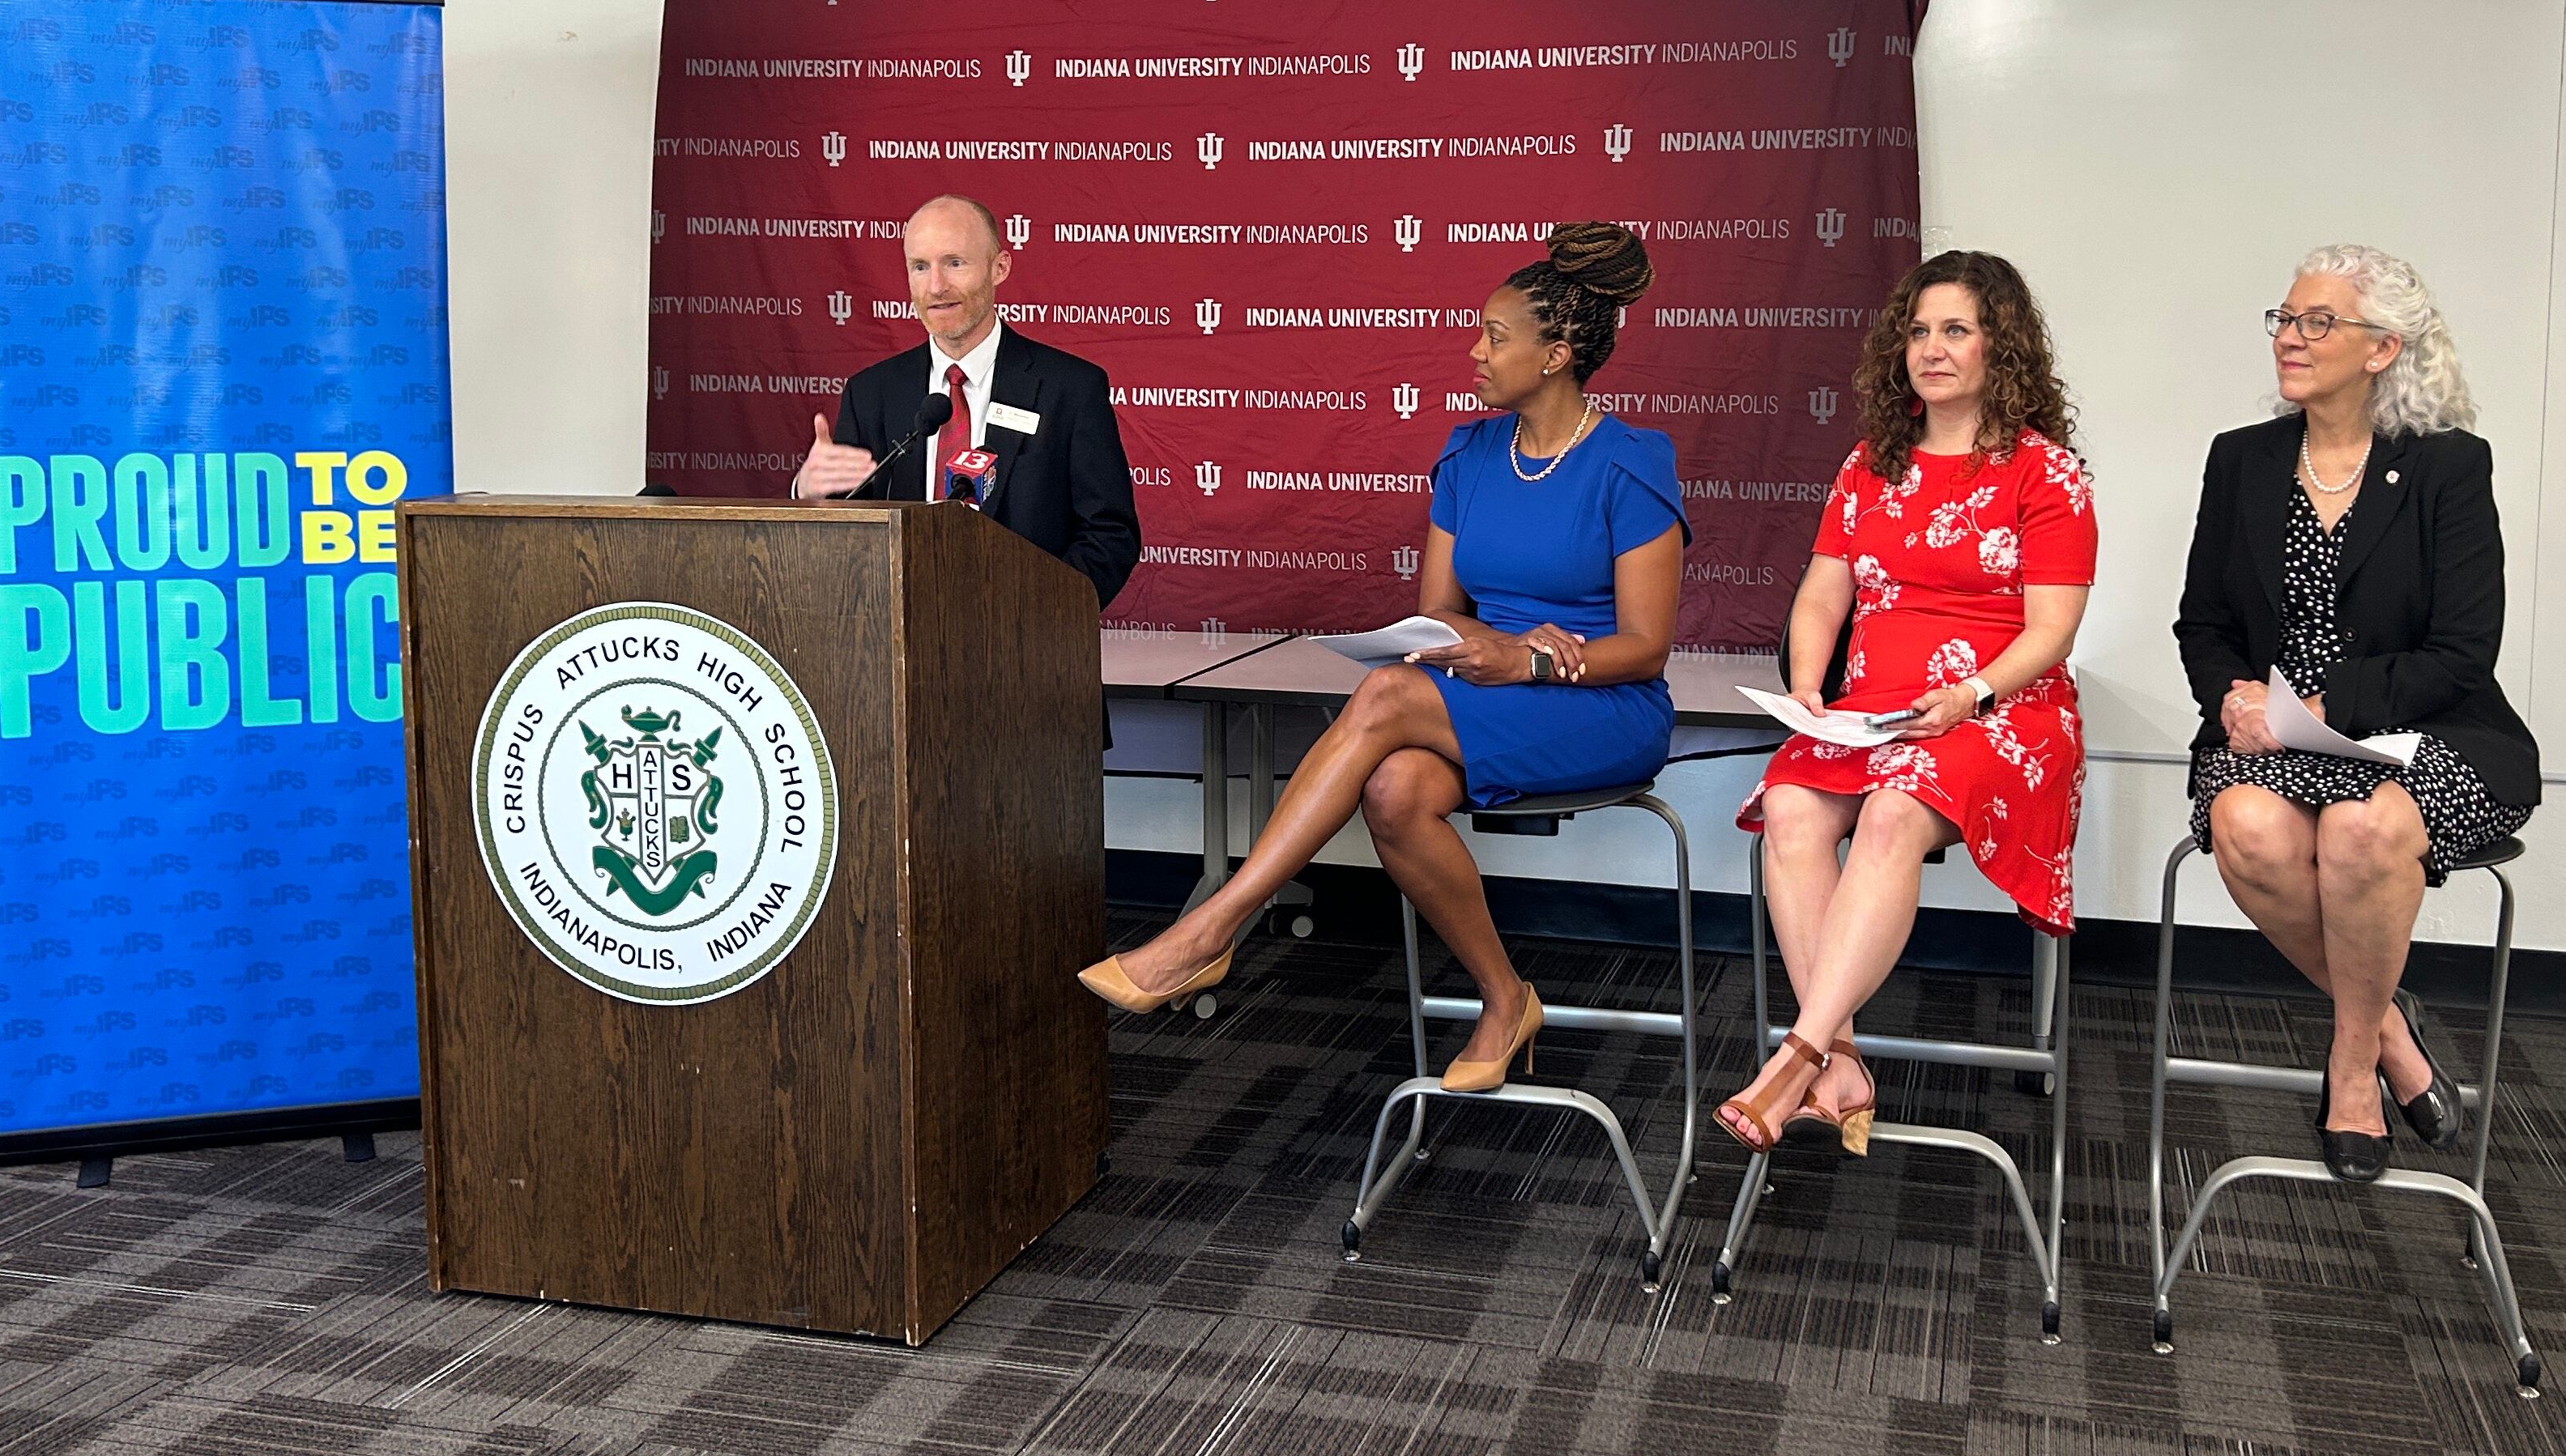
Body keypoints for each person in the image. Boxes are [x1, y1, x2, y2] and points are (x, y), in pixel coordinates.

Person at [1079, 224, 1686, 1090]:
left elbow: (1646, 646)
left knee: (1386, 698)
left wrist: (1536, 662)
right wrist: (1480, 647)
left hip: (1600, 704)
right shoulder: (1471, 453)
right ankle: (1506, 998)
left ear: (1555, 355)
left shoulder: (1630, 461)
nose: (1474, 351)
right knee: (1394, 789)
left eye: (1496, 337)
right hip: (1490, 686)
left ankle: (1208, 931)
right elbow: (1440, 609)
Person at [1720, 251, 2095, 1156]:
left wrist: (1968, 693)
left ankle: (1799, 1053)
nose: (1931, 348)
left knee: (1891, 814)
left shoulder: (2047, 474)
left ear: (2000, 346)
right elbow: (1822, 595)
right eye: (1919, 330)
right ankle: (1842, 1061)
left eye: (1956, 329)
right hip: (1878, 706)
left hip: (2003, 713)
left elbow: (2054, 631)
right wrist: (1810, 686)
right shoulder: (1869, 465)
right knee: (1790, 805)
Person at [2173, 244, 2535, 1181]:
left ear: (2384, 348)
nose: (2290, 338)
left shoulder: (2448, 467)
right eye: (2285, 319)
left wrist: (2333, 705)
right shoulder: (2242, 460)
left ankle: (2352, 1068)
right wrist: (2233, 696)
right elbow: (2204, 624)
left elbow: (2462, 652)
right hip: (2276, 740)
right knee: (2246, 825)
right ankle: (2390, 1032)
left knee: (2363, 831)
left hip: (2428, 731)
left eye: (2317, 322)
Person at [795, 194, 1140, 607]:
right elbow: (846, 539)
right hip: (901, 646)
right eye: (920, 267)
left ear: (1000, 268)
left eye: (955, 263)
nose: (937, 286)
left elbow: (1109, 535)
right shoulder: (871, 393)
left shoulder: (1070, 388)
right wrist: (811, 496)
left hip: (1028, 647)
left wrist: (1042, 619)